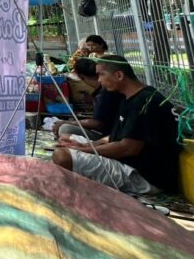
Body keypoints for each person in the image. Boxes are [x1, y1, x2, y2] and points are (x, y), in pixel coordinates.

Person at [53, 55, 181, 193]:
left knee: (62, 156)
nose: (99, 80)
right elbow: (114, 137)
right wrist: (85, 145)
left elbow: (127, 148)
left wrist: (82, 150)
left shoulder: (144, 103)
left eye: (101, 75)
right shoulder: (131, 97)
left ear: (119, 75)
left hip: (143, 175)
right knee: (66, 138)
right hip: (127, 160)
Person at [53, 58, 123, 140]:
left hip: (109, 136)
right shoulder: (102, 92)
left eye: (101, 75)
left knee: (65, 128)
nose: (99, 80)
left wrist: (66, 122)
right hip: (109, 133)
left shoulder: (105, 93)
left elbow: (97, 124)